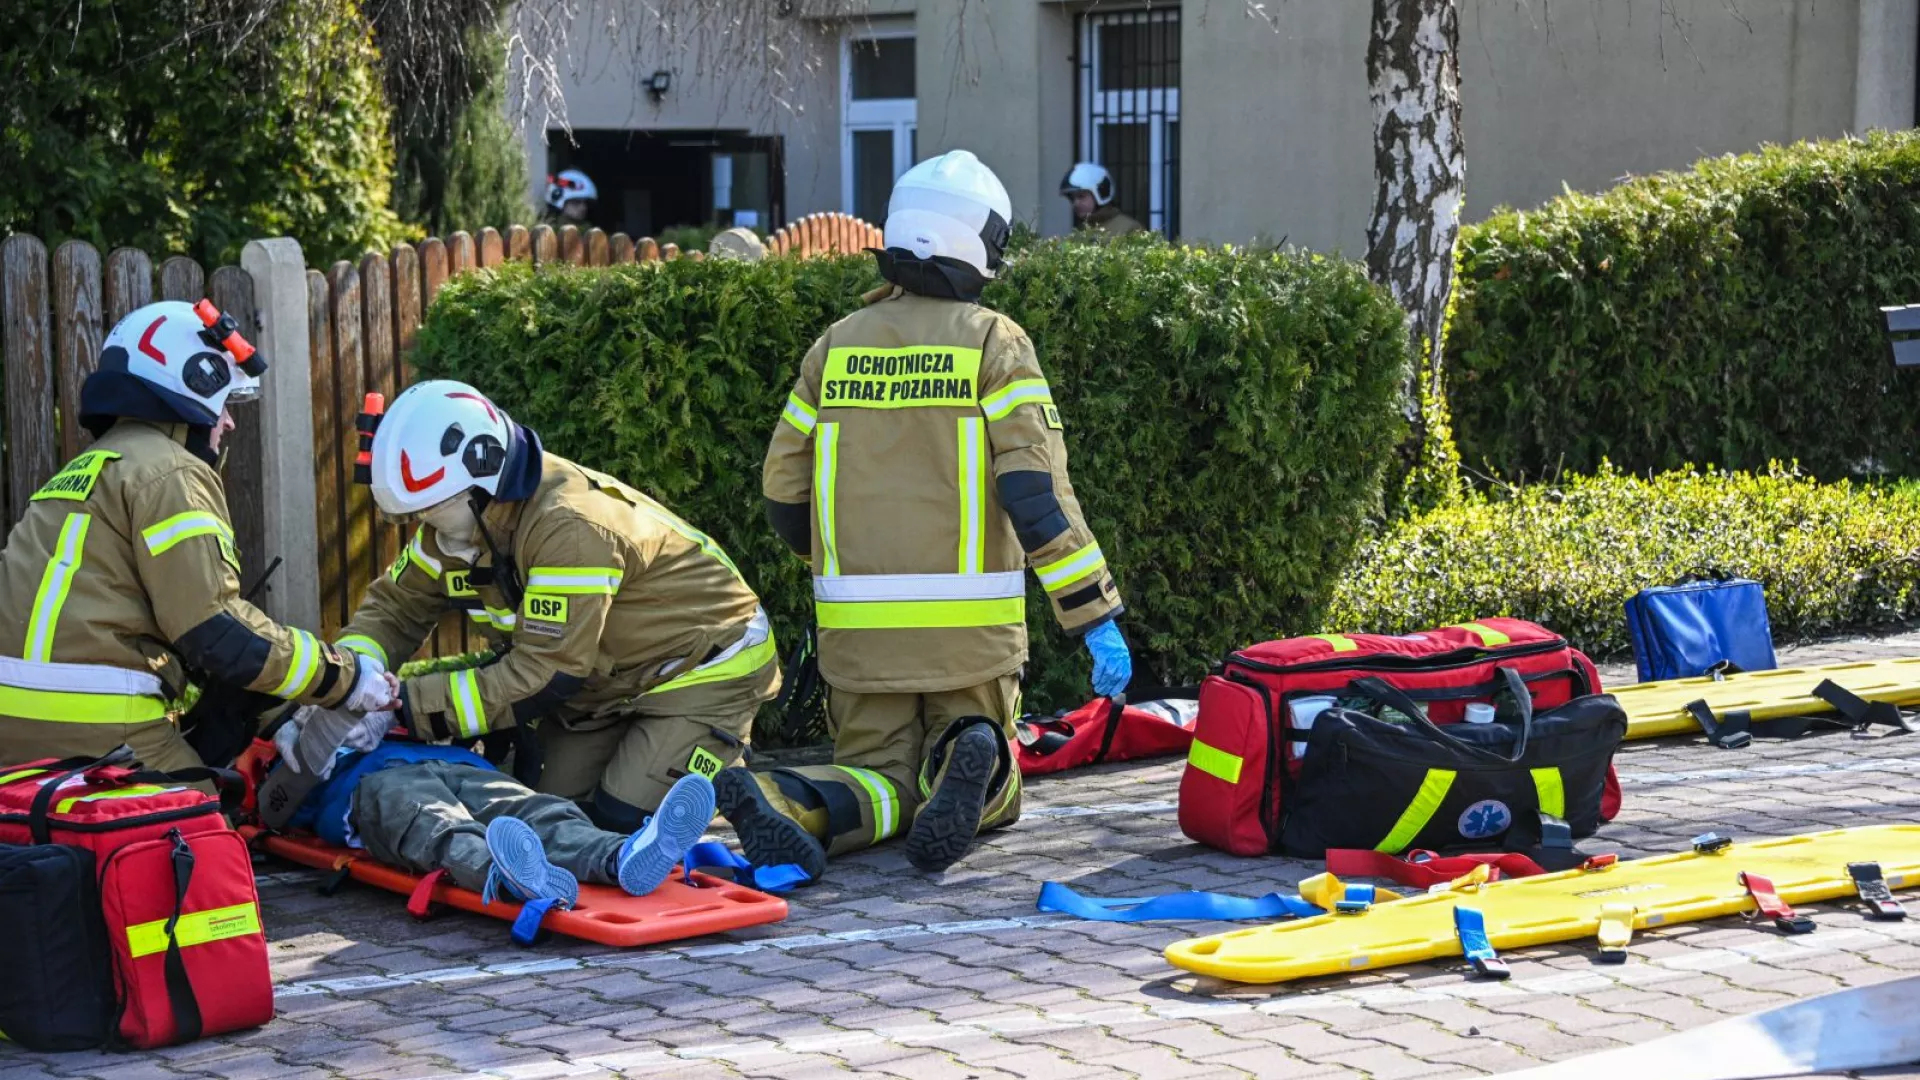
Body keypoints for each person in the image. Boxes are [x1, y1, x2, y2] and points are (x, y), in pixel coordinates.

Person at [722, 149, 1133, 878]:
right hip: (969, 637)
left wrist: (838, 559)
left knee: (877, 777)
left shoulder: (837, 344)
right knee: (986, 775)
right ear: (976, 243)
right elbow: (1034, 494)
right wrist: (1092, 613)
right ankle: (973, 754)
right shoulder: (993, 341)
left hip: (858, 638)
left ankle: (788, 801)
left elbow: (783, 490)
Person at [334, 380, 779, 831]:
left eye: (434, 510)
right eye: (418, 515)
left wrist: (403, 708)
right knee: (553, 816)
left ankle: (775, 798)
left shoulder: (569, 528)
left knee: (625, 820)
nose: (426, 527)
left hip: (705, 667)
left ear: (483, 473)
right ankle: (656, 760)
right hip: (610, 684)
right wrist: (352, 676)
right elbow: (395, 607)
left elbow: (546, 671)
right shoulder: (457, 526)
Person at [0, 301, 394, 772]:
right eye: (225, 404)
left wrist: (273, 715)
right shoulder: (172, 471)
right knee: (206, 816)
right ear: (193, 381)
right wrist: (346, 678)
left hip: (14, 740)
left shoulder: (87, 469)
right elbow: (215, 629)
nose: (228, 422)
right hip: (102, 735)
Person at [267, 705, 719, 905]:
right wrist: (306, 743)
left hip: (455, 764)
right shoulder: (296, 744)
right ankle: (506, 876)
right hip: (371, 784)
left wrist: (389, 712)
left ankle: (620, 855)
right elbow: (278, 809)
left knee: (532, 809)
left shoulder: (387, 709)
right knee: (436, 826)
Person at [1060, 162, 1146, 236]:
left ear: (1101, 193)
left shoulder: (1130, 229)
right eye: (1072, 198)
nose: (1075, 203)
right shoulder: (1079, 233)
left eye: (1081, 196)